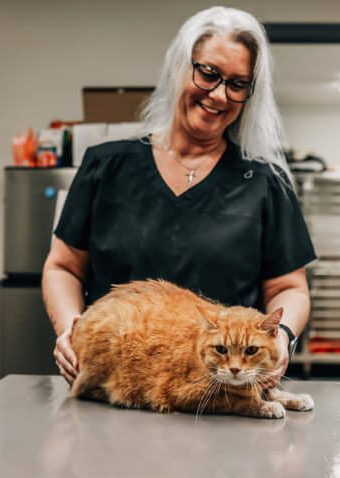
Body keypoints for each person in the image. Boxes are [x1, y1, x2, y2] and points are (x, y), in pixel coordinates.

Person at [42, 6, 315, 388]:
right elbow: (63, 267)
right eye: (208, 74)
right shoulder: (106, 166)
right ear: (179, 68)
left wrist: (281, 335)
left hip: (221, 396)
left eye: (237, 84)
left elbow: (289, 287)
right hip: (118, 386)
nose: (219, 95)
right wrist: (69, 327)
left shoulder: (265, 184)